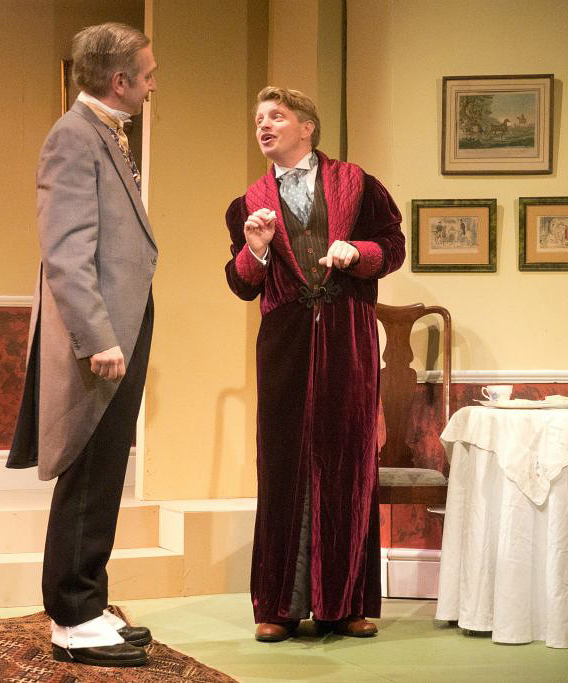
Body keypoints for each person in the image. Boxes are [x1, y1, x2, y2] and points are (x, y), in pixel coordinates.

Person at [224, 87, 405, 643]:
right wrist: (255, 248)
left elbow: (393, 246)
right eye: (258, 118)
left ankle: (344, 604)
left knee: (348, 462)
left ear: (307, 127)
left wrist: (358, 253)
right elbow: (241, 285)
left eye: (276, 116)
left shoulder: (358, 184)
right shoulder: (247, 204)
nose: (264, 125)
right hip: (285, 342)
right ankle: (279, 605)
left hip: (348, 336)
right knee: (282, 464)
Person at [7, 22, 157, 668]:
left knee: (105, 470)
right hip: (99, 335)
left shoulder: (104, 133)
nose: (152, 86)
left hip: (122, 325)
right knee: (89, 470)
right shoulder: (72, 137)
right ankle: (71, 616)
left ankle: (89, 602)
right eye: (147, 75)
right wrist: (97, 335)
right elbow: (66, 249)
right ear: (119, 80)